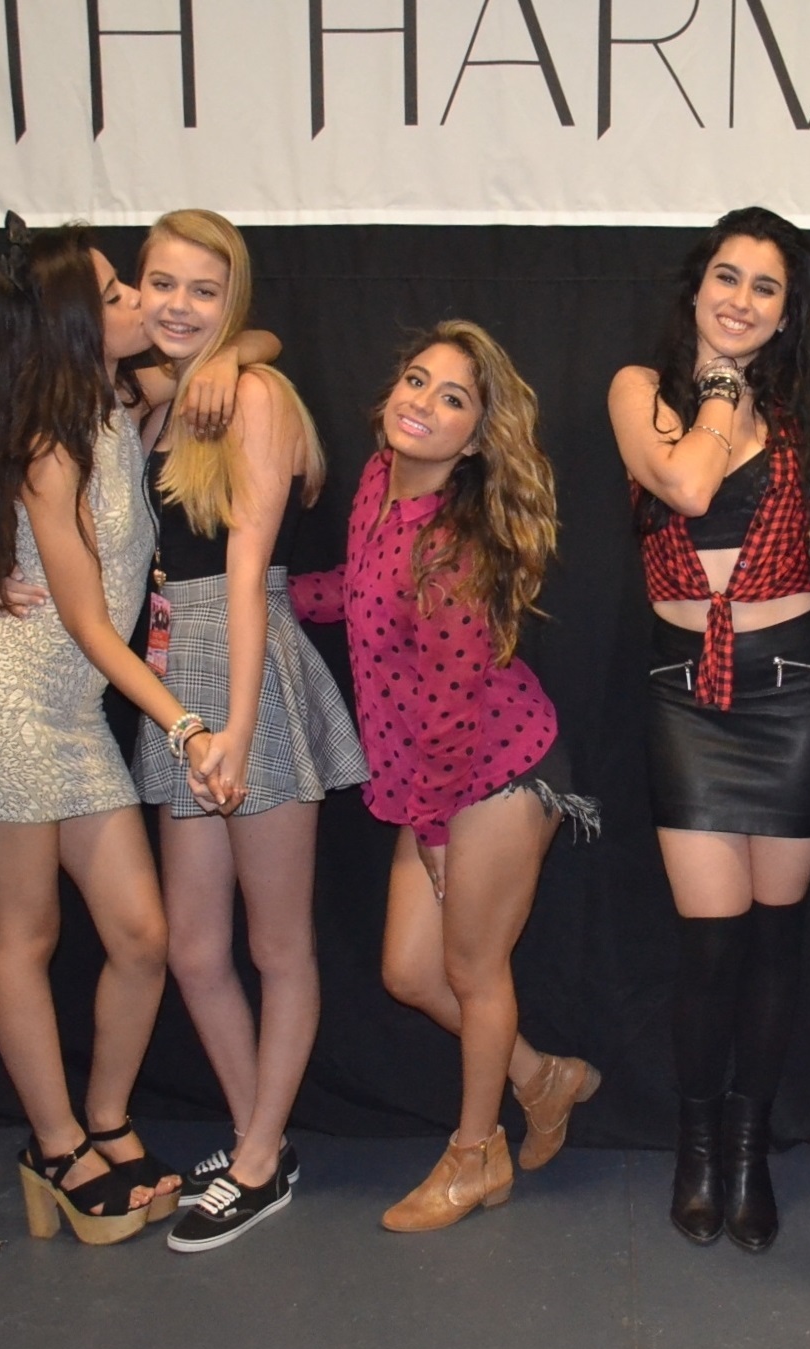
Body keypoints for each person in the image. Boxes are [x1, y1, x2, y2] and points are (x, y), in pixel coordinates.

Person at [0, 218, 221, 1245]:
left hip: (70, 711)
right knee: (27, 933)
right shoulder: (50, 447)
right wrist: (185, 726)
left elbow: (240, 343)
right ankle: (54, 1149)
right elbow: (91, 622)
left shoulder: (114, 405)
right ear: (71, 322)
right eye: (117, 292)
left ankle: (105, 1117)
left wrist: (230, 361)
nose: (141, 301)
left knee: (140, 934)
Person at [293, 319, 601, 1233]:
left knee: (471, 969)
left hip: (495, 770)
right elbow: (359, 590)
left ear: (474, 438)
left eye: (453, 397)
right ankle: (542, 1077)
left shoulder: (456, 542)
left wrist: (432, 834)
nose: (423, 402)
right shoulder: (378, 484)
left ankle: (476, 1157)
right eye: (417, 380)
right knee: (407, 971)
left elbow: (451, 709)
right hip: (430, 777)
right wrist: (279, 597)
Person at [608, 207, 810, 1251]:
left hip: (797, 685)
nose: (741, 300)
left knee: (772, 938)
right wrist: (719, 389)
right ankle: (696, 1145)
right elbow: (685, 483)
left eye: (765, 287)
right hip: (686, 692)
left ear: (788, 309)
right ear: (696, 287)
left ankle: (750, 1151)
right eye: (726, 276)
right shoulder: (642, 391)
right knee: (707, 943)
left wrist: (799, 539)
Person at [127, 210, 368, 1254]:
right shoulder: (155, 399)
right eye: (162, 283)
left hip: (242, 666)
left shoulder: (253, 395)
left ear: (236, 300)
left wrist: (232, 722)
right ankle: (255, 1134)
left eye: (205, 289)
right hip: (170, 680)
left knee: (276, 942)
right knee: (192, 947)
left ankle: (260, 1158)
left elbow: (247, 558)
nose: (179, 306)